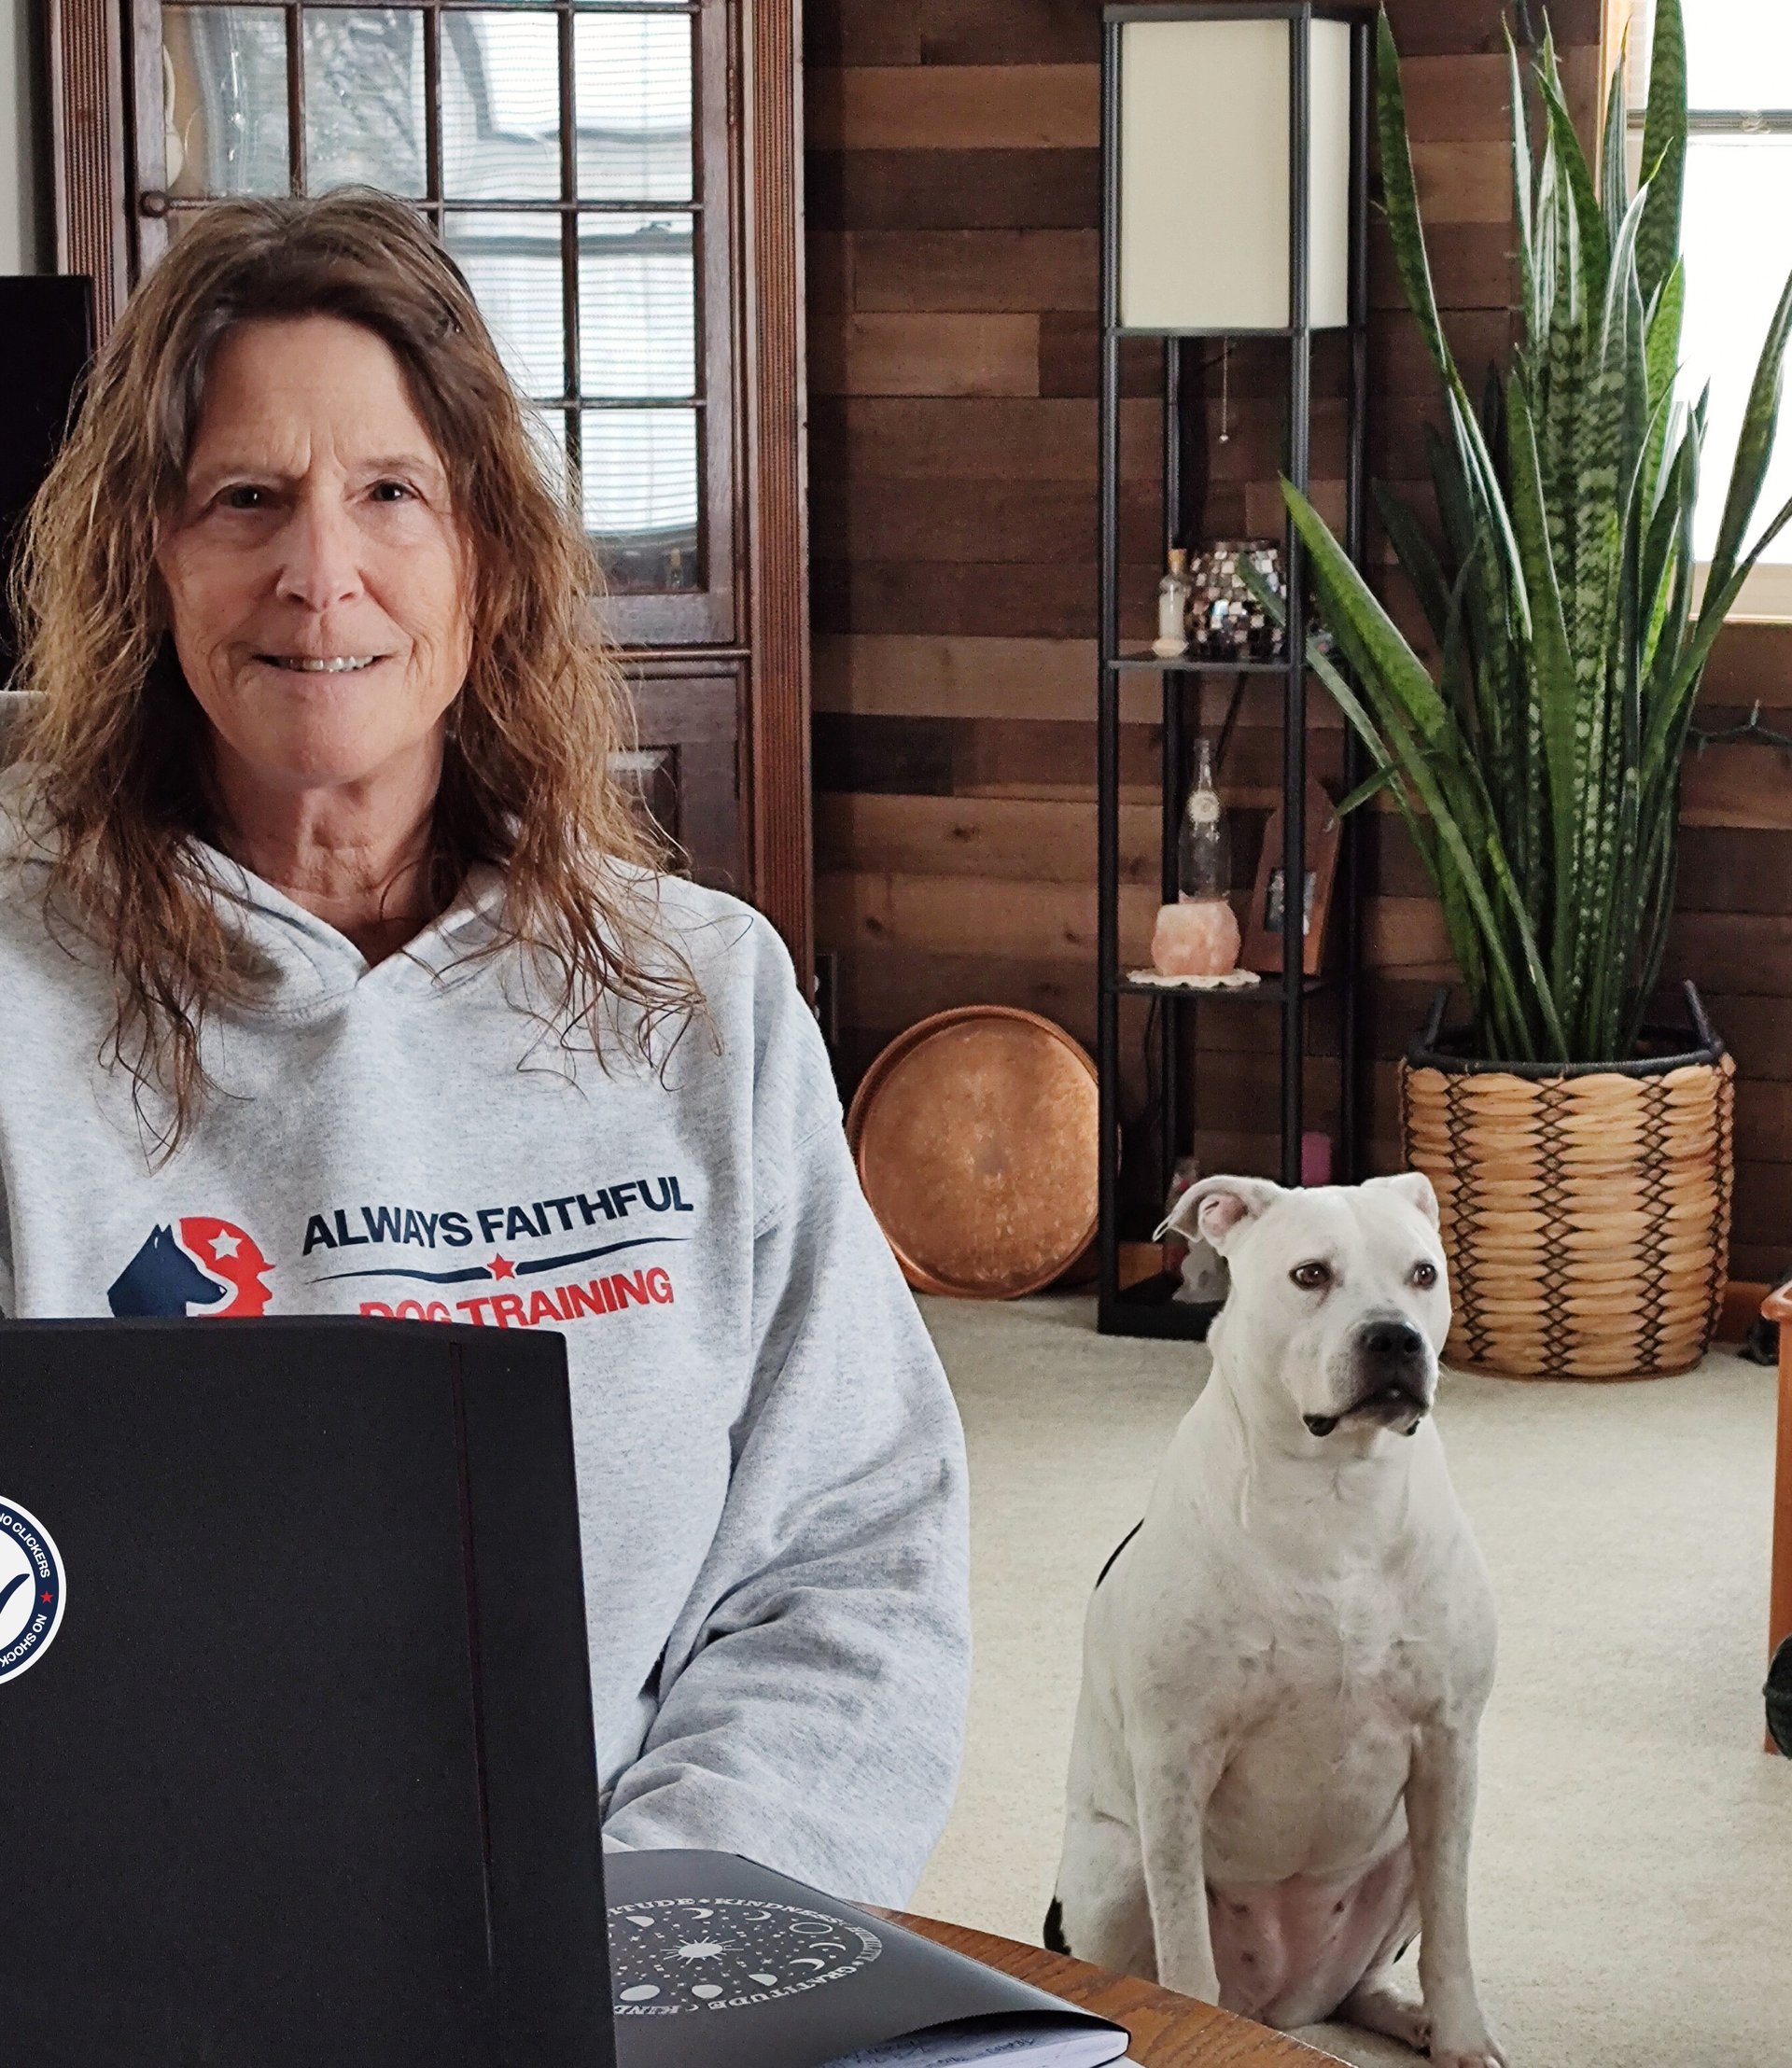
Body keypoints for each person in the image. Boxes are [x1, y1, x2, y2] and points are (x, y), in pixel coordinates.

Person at [0, 189, 970, 1906]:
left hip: (634, 1968)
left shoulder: (706, 998)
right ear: (148, 558)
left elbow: (854, 1557)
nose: (321, 572)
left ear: (490, 558)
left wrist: (632, 1954)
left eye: (392, 494)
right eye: (245, 499)